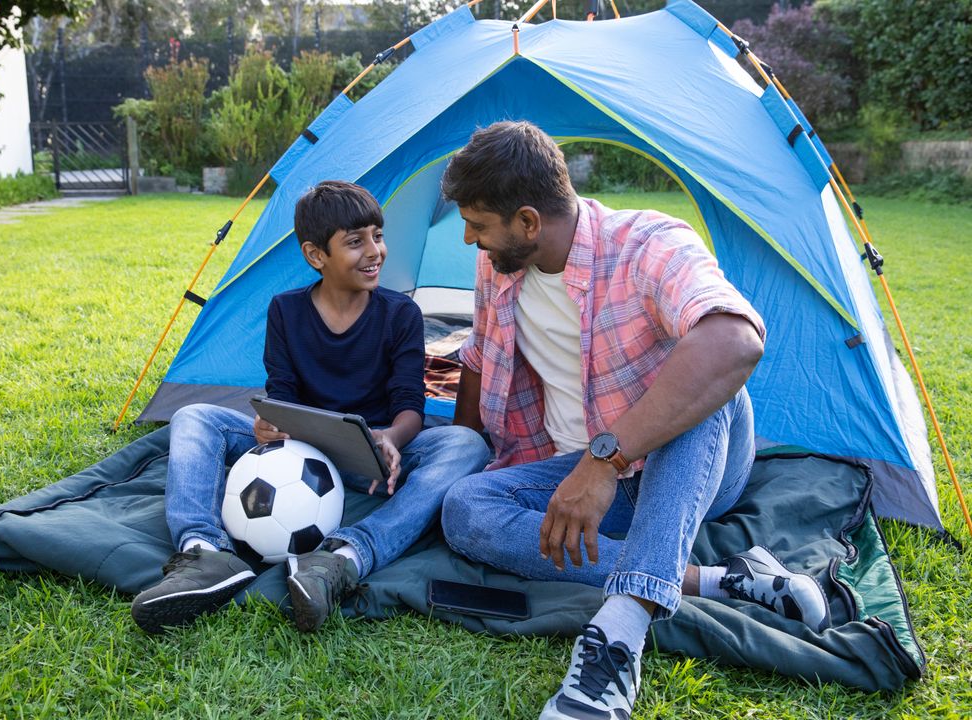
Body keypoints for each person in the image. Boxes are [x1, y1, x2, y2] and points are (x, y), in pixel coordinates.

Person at [437, 122, 829, 719]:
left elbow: (736, 341)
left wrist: (606, 458)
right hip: (575, 473)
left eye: (478, 224)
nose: (468, 238)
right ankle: (718, 580)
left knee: (706, 373)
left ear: (528, 221)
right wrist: (459, 447)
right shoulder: (499, 267)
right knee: (465, 509)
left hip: (691, 466)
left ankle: (619, 634)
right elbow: (474, 357)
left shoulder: (649, 243)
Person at [131, 180, 490, 635]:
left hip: (372, 452)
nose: (375, 251)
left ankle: (344, 559)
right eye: (355, 242)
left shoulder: (400, 314)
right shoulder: (286, 311)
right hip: (298, 445)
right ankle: (204, 552)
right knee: (194, 416)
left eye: (378, 236)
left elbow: (409, 404)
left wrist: (392, 439)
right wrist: (269, 422)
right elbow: (281, 389)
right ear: (316, 255)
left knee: (466, 444)